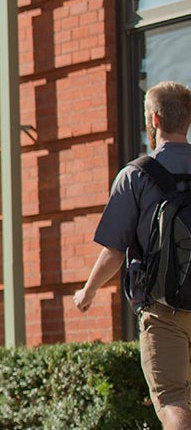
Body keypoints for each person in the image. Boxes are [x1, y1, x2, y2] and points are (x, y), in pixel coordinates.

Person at [76, 80, 191, 429]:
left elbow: (114, 250)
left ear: (153, 120)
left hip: (163, 309)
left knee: (172, 398)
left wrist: (89, 291)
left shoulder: (136, 175)